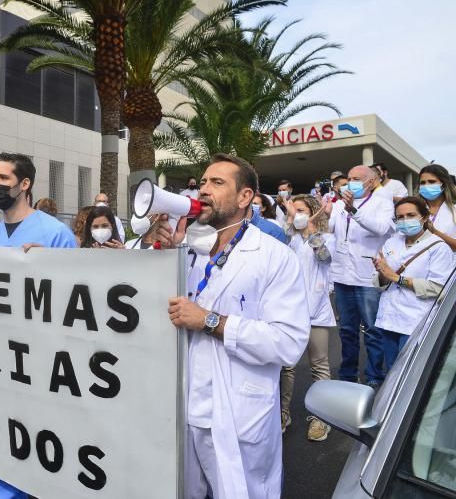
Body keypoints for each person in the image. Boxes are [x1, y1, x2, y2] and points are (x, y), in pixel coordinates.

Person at [154, 153, 310, 498]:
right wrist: (161, 259)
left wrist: (209, 320)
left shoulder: (274, 256)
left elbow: (287, 343)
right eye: (204, 182)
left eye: (217, 182)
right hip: (184, 408)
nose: (204, 190)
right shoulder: (188, 252)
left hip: (239, 413)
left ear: (245, 198)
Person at [0, 153, 76, 498]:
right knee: (2, 440)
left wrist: (48, 268)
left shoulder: (56, 233)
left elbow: (79, 297)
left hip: (41, 363)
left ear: (25, 184)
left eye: (3, 178)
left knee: (39, 443)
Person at [325, 165, 395, 388]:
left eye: (356, 179)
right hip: (343, 275)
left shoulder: (382, 202)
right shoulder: (339, 205)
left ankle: (374, 374)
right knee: (346, 330)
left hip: (366, 276)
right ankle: (348, 373)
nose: (350, 183)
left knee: (373, 330)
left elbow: (382, 228)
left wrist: (354, 209)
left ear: (372, 182)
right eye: (349, 178)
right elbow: (330, 231)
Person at [279, 195, 337, 441]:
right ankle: (282, 413)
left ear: (313, 213)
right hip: (289, 313)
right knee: (286, 367)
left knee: (319, 365)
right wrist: (290, 222)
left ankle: (321, 419)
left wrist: (311, 231)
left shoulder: (327, 239)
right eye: (294, 210)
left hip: (316, 313)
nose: (298, 214)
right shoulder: (288, 240)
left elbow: (325, 258)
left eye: (302, 210)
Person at [373, 197, 453, 370]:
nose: (405, 220)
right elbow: (379, 280)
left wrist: (397, 278)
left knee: (408, 372)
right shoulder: (391, 242)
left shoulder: (438, 247)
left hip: (415, 320)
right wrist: (382, 273)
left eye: (411, 215)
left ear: (424, 218)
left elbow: (439, 288)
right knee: (391, 372)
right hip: (389, 317)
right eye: (400, 217)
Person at [419, 164, 456, 251]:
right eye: (422, 183)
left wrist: (434, 232)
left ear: (444, 185)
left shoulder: (454, 210)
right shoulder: (414, 209)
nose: (426, 186)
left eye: (431, 182)